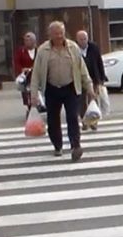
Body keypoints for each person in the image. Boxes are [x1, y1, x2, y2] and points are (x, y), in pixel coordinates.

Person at [30, 21, 94, 161]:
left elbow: (82, 69)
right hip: (52, 89)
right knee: (53, 120)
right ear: (50, 35)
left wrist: (89, 87)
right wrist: (33, 95)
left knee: (72, 117)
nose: (59, 36)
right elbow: (36, 74)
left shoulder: (73, 47)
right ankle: (57, 145)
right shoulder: (43, 50)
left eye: (61, 33)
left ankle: (75, 146)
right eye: (56, 34)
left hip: (70, 87)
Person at [75, 30, 107, 130]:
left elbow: (99, 62)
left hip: (93, 78)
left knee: (93, 99)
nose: (83, 41)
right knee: (81, 102)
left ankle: (93, 122)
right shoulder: (74, 49)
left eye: (85, 39)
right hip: (80, 79)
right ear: (77, 40)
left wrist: (102, 78)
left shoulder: (93, 47)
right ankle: (85, 122)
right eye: (81, 39)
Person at [13, 32, 38, 120]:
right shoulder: (21, 51)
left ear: (34, 41)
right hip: (26, 76)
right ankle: (29, 107)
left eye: (29, 40)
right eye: (25, 40)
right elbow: (16, 62)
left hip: (37, 75)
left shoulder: (39, 50)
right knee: (27, 92)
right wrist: (22, 69)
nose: (27, 42)